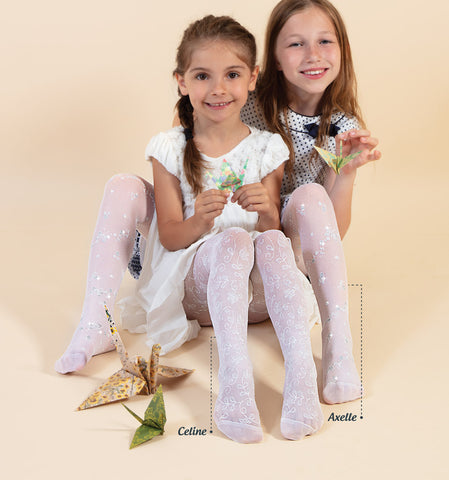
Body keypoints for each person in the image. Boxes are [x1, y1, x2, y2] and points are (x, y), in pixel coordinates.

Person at [57, 14, 323, 443]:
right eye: (203, 76)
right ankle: (235, 381)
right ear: (182, 81)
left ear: (252, 79)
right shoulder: (170, 149)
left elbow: (275, 226)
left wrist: (268, 212)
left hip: (263, 299)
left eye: (232, 74)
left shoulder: (268, 146)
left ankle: (301, 377)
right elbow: (172, 238)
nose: (218, 88)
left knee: (271, 240)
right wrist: (200, 219)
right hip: (199, 293)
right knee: (234, 239)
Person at [240, 0, 381, 405]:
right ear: (276, 59)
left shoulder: (342, 127)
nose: (314, 55)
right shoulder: (250, 103)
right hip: (246, 242)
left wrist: (347, 172)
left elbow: (331, 233)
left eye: (324, 41)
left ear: (342, 50)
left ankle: (338, 347)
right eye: (296, 44)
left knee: (311, 194)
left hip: (295, 255)